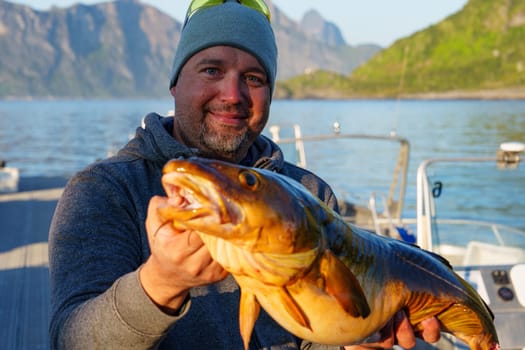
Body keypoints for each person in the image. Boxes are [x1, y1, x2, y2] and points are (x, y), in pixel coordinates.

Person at [48, 0, 441, 349]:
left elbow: (319, 332)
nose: (233, 94)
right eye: (211, 69)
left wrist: (355, 339)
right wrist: (160, 283)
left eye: (254, 78)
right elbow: (70, 339)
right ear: (174, 82)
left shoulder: (310, 194)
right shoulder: (104, 191)